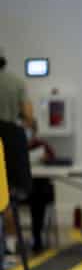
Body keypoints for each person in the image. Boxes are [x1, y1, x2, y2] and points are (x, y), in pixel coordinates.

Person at [0, 46, 40, 257]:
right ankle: (10, 245)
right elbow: (27, 115)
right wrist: (31, 125)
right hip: (8, 140)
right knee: (8, 196)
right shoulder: (16, 83)